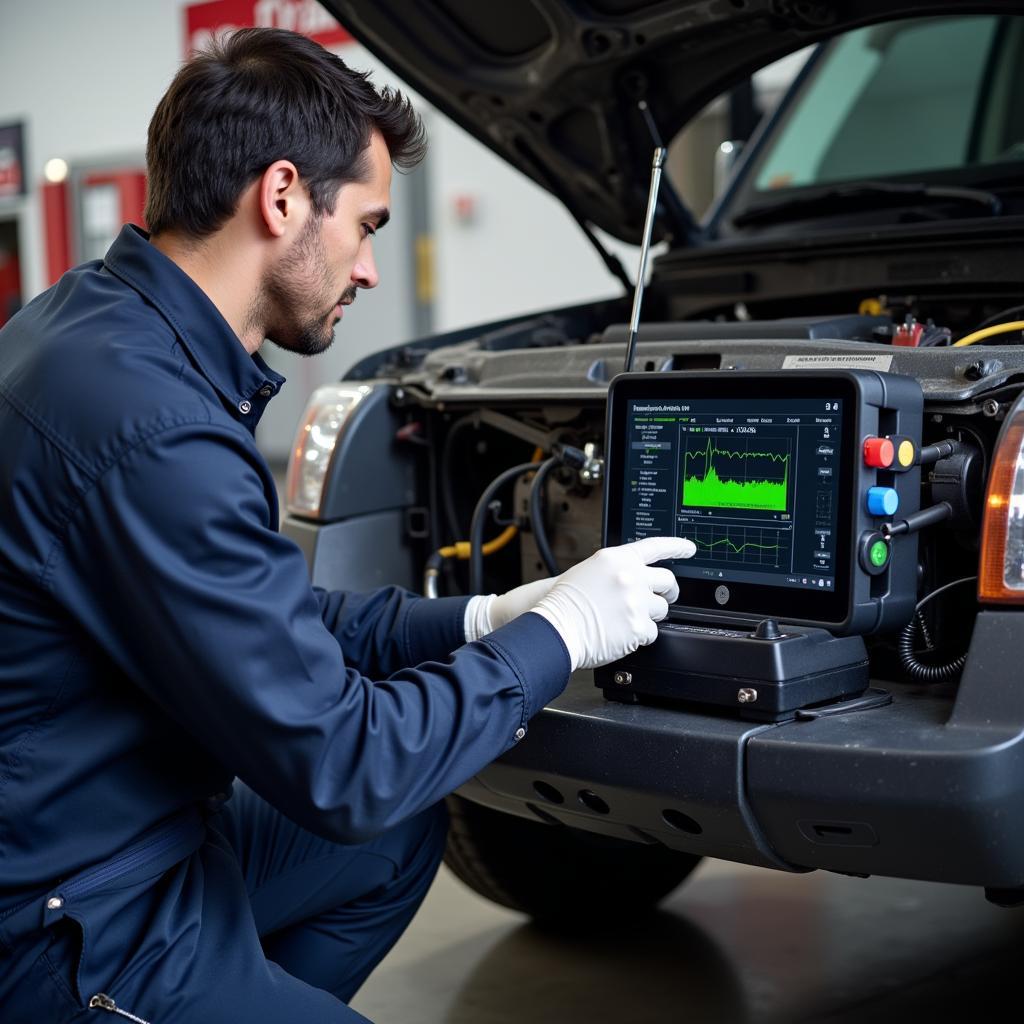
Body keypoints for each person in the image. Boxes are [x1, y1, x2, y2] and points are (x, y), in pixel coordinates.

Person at [0, 28, 694, 1024]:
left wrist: (480, 617)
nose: (369, 268)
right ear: (282, 197)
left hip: (116, 829)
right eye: (365, 225)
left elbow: (263, 618)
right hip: (69, 919)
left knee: (401, 832)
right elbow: (346, 767)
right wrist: (561, 638)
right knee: (378, 803)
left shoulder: (87, 325)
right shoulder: (154, 428)